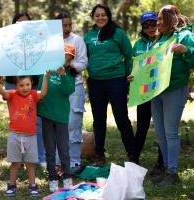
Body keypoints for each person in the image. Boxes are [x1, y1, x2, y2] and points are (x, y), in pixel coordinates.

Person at [84, 4, 137, 165]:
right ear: (93, 17)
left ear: (109, 16)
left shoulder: (119, 33)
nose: (100, 18)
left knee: (121, 117)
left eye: (103, 15)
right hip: (95, 82)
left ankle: (133, 154)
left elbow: (129, 56)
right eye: (97, 15)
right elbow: (83, 58)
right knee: (98, 120)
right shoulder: (88, 36)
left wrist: (129, 75)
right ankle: (99, 154)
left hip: (116, 80)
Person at [150, 5, 194, 186]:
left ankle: (172, 172)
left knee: (170, 133)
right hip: (156, 91)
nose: (157, 23)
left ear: (170, 18)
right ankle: (167, 170)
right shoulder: (160, 39)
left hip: (175, 90)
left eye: (160, 19)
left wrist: (186, 51)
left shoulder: (186, 36)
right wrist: (136, 78)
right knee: (160, 134)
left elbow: (192, 60)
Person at [0, 73, 49, 197]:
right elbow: (2, 91)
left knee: (30, 164)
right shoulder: (12, 94)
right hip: (15, 135)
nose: (25, 88)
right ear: (16, 86)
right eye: (21, 85)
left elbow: (43, 93)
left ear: (31, 84)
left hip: (31, 136)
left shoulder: (34, 95)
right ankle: (12, 185)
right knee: (15, 163)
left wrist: (45, 77)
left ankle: (33, 185)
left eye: (28, 85)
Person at [5, 13, 46, 167]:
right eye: (19, 23)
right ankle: (19, 159)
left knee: (36, 122)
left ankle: (39, 157)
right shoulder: (7, 42)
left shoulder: (38, 42)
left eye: (26, 23)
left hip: (32, 85)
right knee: (16, 120)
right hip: (12, 85)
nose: (23, 25)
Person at [129, 11, 165, 174]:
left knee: (161, 128)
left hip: (160, 91)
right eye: (146, 26)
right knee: (142, 127)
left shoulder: (165, 41)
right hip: (143, 93)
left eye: (153, 23)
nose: (151, 28)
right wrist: (131, 75)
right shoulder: (138, 45)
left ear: (159, 23)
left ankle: (161, 162)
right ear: (142, 28)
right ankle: (134, 159)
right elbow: (134, 66)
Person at [37, 44, 76, 192]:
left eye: (68, 57)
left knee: (63, 149)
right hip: (46, 114)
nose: (64, 59)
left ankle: (67, 177)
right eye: (63, 55)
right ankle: (52, 177)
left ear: (70, 60)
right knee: (50, 149)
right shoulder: (46, 69)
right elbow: (42, 90)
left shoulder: (70, 74)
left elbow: (68, 90)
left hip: (61, 117)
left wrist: (63, 75)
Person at [55, 12, 88, 174]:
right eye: (63, 25)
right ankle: (56, 162)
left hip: (75, 86)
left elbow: (84, 62)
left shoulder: (77, 40)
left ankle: (74, 162)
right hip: (56, 87)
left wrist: (68, 64)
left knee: (74, 123)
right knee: (57, 123)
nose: (67, 28)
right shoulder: (51, 43)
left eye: (69, 25)